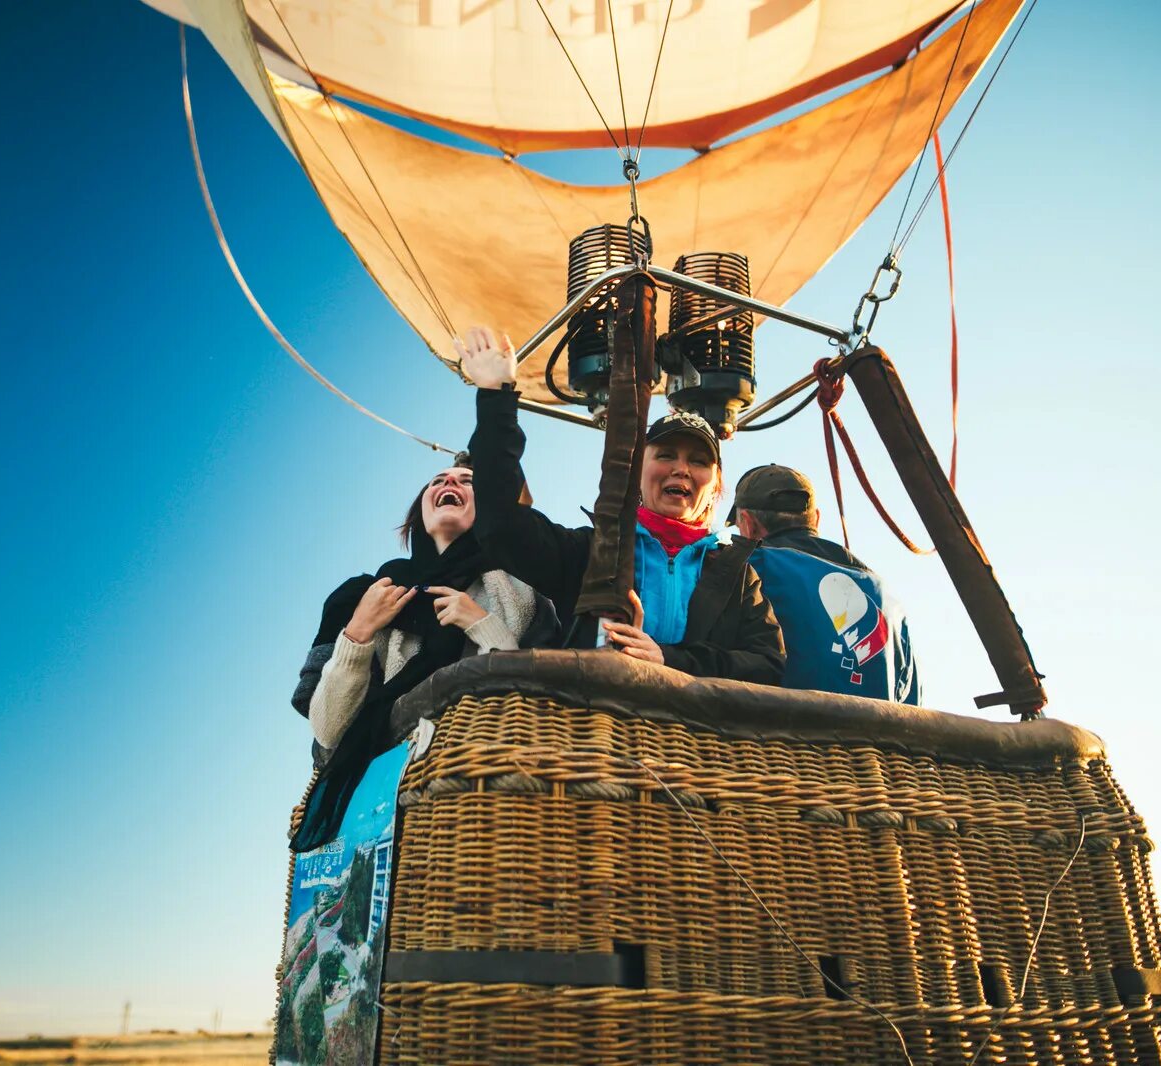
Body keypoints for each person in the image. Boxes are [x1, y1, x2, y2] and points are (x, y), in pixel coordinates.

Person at [456, 326, 784, 684]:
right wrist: (496, 398)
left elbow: (768, 665)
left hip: (700, 738)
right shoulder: (592, 552)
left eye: (699, 462)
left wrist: (669, 660)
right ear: (638, 472)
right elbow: (500, 527)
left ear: (716, 484)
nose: (681, 469)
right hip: (596, 732)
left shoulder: (736, 575)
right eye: (666, 455)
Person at [289, 454, 557, 849]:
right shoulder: (376, 594)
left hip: (486, 795)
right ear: (419, 513)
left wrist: (481, 623)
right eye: (438, 481)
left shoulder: (516, 586)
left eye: (467, 480)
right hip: (397, 806)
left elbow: (531, 692)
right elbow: (329, 729)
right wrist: (359, 632)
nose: (450, 483)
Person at [729, 465, 921, 704]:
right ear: (816, 519)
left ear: (748, 524)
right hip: (874, 740)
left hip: (780, 737)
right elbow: (911, 704)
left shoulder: (751, 566)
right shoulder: (889, 600)